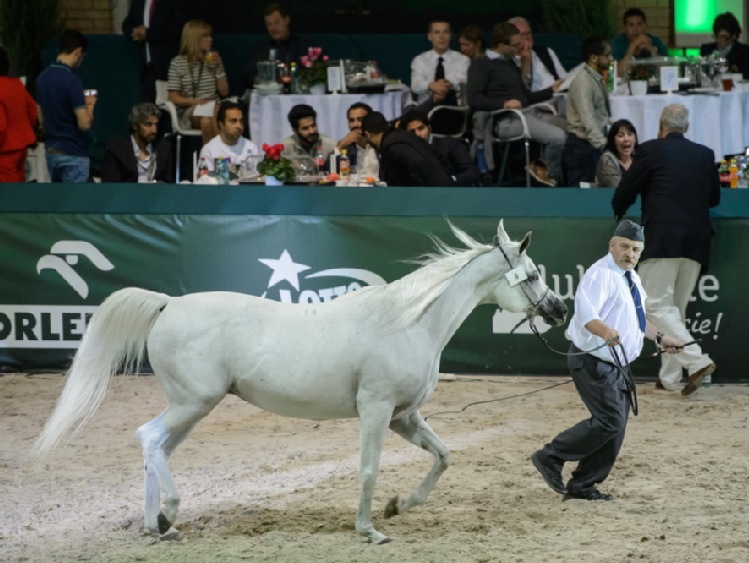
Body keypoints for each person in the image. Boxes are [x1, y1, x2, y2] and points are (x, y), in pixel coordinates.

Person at [531, 220, 683, 501]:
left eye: (636, 249)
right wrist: (605, 331)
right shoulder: (600, 274)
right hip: (592, 360)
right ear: (612, 246)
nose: (630, 254)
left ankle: (583, 484)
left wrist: (661, 338)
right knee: (610, 420)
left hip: (617, 363)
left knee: (616, 427)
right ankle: (550, 456)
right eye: (625, 247)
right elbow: (587, 314)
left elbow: (637, 320)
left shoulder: (631, 277)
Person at [612, 104, 720, 394]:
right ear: (686, 126)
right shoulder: (705, 154)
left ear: (662, 125)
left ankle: (697, 361)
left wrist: (618, 209)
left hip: (662, 239)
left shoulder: (650, 150)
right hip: (696, 242)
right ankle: (670, 378)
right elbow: (714, 198)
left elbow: (628, 186)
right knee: (674, 312)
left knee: (653, 306)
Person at [466, 22, 566, 185]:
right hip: (505, 120)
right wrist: (503, 104)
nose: (521, 48)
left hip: (526, 113)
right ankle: (550, 178)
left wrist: (551, 90)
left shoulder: (509, 62)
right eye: (516, 45)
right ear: (502, 45)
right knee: (557, 137)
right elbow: (474, 99)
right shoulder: (481, 64)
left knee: (571, 129)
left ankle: (540, 167)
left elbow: (524, 97)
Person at [35, 29, 96, 183]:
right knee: (76, 205)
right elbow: (84, 124)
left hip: (52, 153)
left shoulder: (41, 79)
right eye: (82, 56)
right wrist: (90, 105)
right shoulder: (72, 81)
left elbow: (41, 120)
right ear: (78, 52)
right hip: (73, 153)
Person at [167, 19, 229, 144]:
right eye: (205, 36)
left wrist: (218, 68)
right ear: (194, 39)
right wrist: (195, 101)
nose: (210, 39)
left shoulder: (213, 59)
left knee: (206, 121)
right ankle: (224, 156)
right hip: (191, 109)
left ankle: (209, 160)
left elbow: (224, 92)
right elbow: (173, 97)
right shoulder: (177, 62)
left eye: (210, 36)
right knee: (210, 113)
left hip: (213, 107)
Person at [562, 37, 612, 187]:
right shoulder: (583, 82)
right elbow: (588, 120)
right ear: (594, 58)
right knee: (580, 200)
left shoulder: (595, 79)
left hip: (589, 146)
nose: (611, 59)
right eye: (607, 55)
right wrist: (604, 146)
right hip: (582, 149)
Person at [361, 111, 452, 187]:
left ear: (368, 134)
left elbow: (418, 163)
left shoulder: (392, 145)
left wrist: (416, 194)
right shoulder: (402, 136)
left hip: (434, 197)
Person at [121, 0, 187, 103]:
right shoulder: (139, 2)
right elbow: (127, 24)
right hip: (146, 65)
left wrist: (148, 34)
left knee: (168, 105)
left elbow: (177, 28)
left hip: (168, 64)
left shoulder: (174, 2)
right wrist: (134, 31)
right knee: (147, 105)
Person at [399, 109, 481, 186]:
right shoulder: (405, 152)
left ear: (429, 128)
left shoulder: (450, 144)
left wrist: (449, 180)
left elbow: (472, 172)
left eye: (421, 128)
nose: (418, 134)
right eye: (412, 132)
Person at [242, 3, 310, 90]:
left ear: (287, 20)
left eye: (277, 22)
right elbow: (246, 77)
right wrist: (261, 81)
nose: (273, 28)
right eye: (269, 24)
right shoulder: (260, 48)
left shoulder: (302, 46)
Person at [100, 102, 173, 183]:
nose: (154, 130)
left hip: (157, 195)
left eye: (156, 125)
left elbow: (168, 183)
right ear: (135, 126)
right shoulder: (116, 150)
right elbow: (111, 187)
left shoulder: (163, 148)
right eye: (148, 125)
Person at [411, 18, 470, 106]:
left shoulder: (463, 59)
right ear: (430, 37)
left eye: (445, 32)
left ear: (450, 35)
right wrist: (431, 85)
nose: (441, 36)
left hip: (455, 109)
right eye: (437, 32)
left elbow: (462, 82)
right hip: (427, 110)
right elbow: (415, 85)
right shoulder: (420, 60)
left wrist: (444, 85)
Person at [0, 47, 38, 183]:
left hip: (4, 150)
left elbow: (1, 127)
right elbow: (32, 110)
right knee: (19, 188)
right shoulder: (17, 84)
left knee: (8, 195)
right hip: (21, 146)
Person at [508, 16, 568, 92]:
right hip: (536, 100)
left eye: (528, 33)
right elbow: (519, 91)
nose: (527, 38)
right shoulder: (507, 60)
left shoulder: (545, 51)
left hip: (558, 95)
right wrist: (525, 61)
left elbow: (563, 77)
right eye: (522, 35)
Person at [198, 101, 259, 175]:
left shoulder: (251, 148)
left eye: (241, 121)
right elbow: (205, 182)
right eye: (233, 121)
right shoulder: (209, 150)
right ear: (221, 124)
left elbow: (256, 180)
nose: (239, 126)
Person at [611, 8, 668, 77]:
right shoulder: (616, 43)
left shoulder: (656, 42)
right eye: (631, 25)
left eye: (639, 24)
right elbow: (618, 75)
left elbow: (667, 72)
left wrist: (652, 50)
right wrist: (632, 48)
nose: (635, 29)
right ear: (625, 28)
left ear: (645, 26)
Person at [281, 104, 336, 169]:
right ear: (295, 130)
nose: (312, 131)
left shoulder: (329, 144)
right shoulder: (285, 147)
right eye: (305, 128)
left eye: (313, 126)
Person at [336, 102, 379, 180]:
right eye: (352, 120)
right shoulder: (346, 147)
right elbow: (326, 171)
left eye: (360, 120)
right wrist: (338, 148)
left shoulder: (380, 143)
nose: (355, 124)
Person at [700, 12, 749, 79]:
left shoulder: (744, 52)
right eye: (716, 36)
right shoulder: (706, 49)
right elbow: (701, 74)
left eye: (723, 37)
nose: (719, 40)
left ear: (733, 36)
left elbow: (745, 76)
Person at [595, 119, 638, 188]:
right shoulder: (607, 160)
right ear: (613, 141)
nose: (626, 139)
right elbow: (617, 187)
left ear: (635, 139)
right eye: (621, 136)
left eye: (630, 134)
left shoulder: (640, 158)